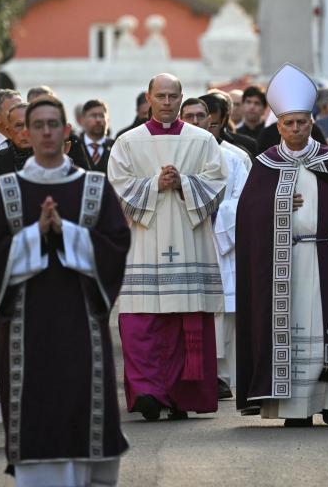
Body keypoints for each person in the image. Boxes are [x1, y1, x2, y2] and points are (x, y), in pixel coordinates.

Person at [0, 96, 131, 486]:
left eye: (53, 125)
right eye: (38, 125)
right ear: (25, 134)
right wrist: (35, 235)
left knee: (82, 412)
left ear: (66, 132)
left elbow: (115, 246)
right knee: (37, 413)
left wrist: (67, 233)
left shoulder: (94, 187)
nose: (46, 132)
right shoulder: (6, 189)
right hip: (26, 332)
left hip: (82, 327)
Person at [236, 63, 328, 427]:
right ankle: (295, 409)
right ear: (277, 125)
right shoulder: (265, 165)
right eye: (288, 124)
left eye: (302, 123)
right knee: (291, 331)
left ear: (313, 122)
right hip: (286, 260)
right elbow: (246, 217)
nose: (295, 129)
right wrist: (277, 203)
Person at [108, 73, 227, 421]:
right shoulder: (128, 142)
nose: (167, 102)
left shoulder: (202, 140)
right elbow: (118, 185)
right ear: (148, 97)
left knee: (184, 321)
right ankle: (148, 392)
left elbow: (218, 182)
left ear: (181, 97)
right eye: (160, 95)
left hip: (189, 241)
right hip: (144, 241)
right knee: (141, 323)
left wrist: (185, 183)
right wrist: (155, 185)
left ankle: (182, 395)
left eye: (173, 96)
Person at [181, 97, 249, 400]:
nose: (196, 122)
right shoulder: (177, 155)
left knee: (223, 312)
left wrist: (215, 216)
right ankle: (193, 371)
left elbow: (244, 201)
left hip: (221, 241)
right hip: (188, 241)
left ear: (213, 120)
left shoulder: (234, 158)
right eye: (190, 116)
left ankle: (223, 375)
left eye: (201, 116)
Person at [0, 101, 32, 175]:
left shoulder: (53, 159)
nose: (25, 131)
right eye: (19, 125)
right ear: (9, 132)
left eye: (30, 124)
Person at [81, 99, 114, 172]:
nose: (98, 120)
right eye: (93, 116)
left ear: (107, 120)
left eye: (102, 116)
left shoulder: (116, 147)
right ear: (82, 120)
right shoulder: (74, 147)